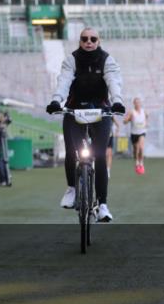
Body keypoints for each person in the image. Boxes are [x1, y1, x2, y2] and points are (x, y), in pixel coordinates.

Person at [46, 27, 125, 222]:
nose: (89, 42)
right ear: (80, 41)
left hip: (101, 110)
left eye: (93, 39)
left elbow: (113, 80)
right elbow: (64, 80)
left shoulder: (107, 59)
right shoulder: (71, 59)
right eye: (84, 39)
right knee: (72, 150)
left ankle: (103, 205)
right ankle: (72, 189)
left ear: (99, 41)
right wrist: (57, 100)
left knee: (98, 155)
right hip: (74, 109)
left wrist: (117, 101)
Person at [125, 97, 148, 175]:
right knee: (136, 150)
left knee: (141, 148)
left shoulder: (144, 111)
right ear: (134, 104)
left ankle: (141, 163)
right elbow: (125, 121)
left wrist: (146, 123)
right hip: (134, 133)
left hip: (142, 132)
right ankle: (137, 162)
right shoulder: (131, 112)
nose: (137, 104)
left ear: (140, 103)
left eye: (139, 102)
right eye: (136, 102)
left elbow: (147, 117)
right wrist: (128, 119)